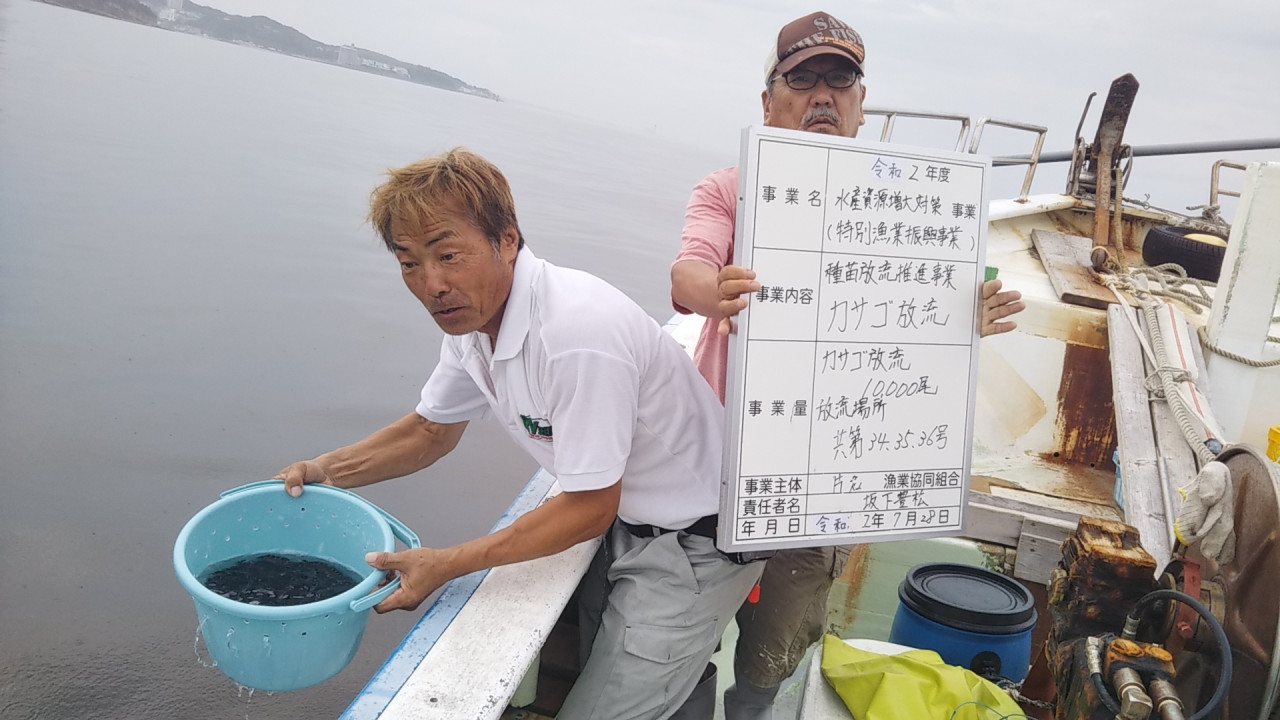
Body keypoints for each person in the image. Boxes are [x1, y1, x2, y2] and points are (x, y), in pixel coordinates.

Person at [276, 148, 762, 719]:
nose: (432, 284)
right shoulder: (475, 324)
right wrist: (324, 471)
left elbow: (588, 508)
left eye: (448, 254)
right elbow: (429, 432)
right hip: (636, 522)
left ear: (507, 240)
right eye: (409, 263)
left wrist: (447, 562)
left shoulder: (576, 334)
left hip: (698, 543)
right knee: (629, 673)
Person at [669, 11, 1026, 719]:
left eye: (841, 80)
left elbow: (910, 328)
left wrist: (963, 322)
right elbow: (687, 275)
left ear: (862, 108)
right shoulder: (727, 188)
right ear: (769, 100)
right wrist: (719, 290)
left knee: (776, 645)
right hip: (714, 468)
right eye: (803, 79)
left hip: (818, 484)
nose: (823, 95)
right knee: (684, 642)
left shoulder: (913, 209)